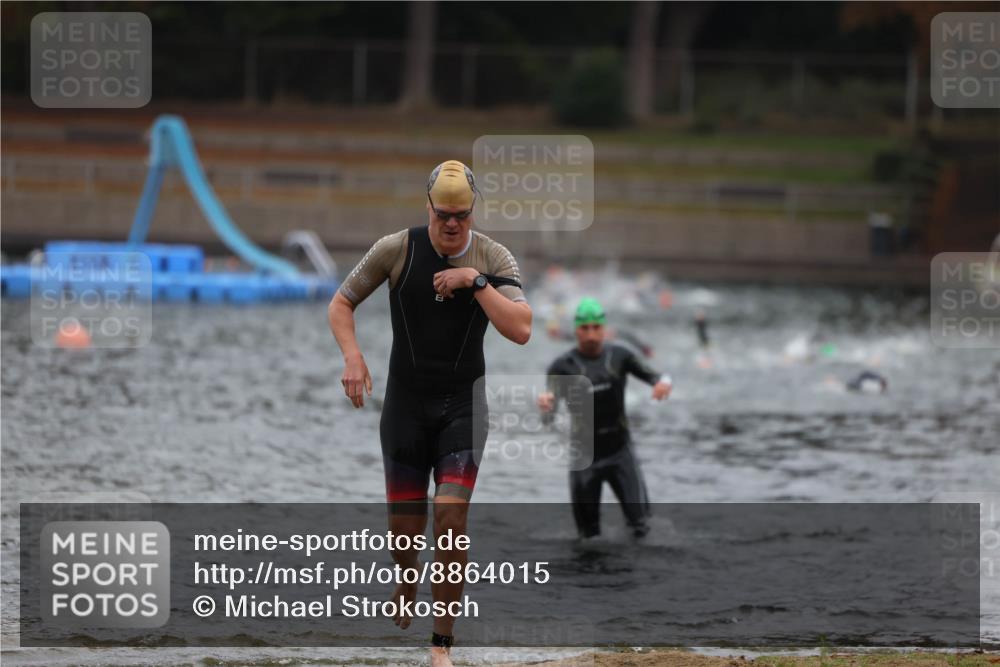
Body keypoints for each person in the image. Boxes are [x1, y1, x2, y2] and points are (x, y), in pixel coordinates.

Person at [328, 160, 531, 667]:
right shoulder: (397, 248)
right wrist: (353, 356)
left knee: (450, 513)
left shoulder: (492, 255)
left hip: (463, 407)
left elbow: (522, 328)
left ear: (472, 212)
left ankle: (441, 645)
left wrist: (475, 281)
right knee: (406, 532)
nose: (452, 225)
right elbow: (340, 304)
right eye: (444, 214)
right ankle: (405, 576)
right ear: (429, 208)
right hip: (404, 410)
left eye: (461, 215)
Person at [538, 297, 671, 539]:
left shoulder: (620, 356)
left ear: (604, 328)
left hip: (621, 453)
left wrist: (662, 385)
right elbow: (548, 418)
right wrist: (546, 407)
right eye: (584, 328)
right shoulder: (561, 367)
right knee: (587, 539)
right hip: (584, 459)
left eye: (596, 328)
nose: (590, 335)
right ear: (575, 330)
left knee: (642, 528)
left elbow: (658, 377)